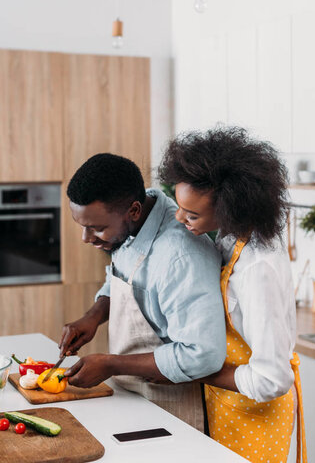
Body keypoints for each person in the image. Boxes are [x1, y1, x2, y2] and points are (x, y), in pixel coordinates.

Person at [158, 126, 307, 463]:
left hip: (257, 414)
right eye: (180, 206)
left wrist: (196, 370)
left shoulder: (258, 269)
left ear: (229, 208)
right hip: (229, 402)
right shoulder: (233, 237)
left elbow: (272, 379)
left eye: (192, 214)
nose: (180, 218)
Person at [59, 152, 227, 431]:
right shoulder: (131, 220)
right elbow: (122, 277)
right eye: (83, 227)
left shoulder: (181, 257)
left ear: (134, 211)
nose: (86, 239)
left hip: (172, 407)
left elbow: (203, 354)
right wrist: (93, 315)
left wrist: (112, 365)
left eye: (96, 229)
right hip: (131, 395)